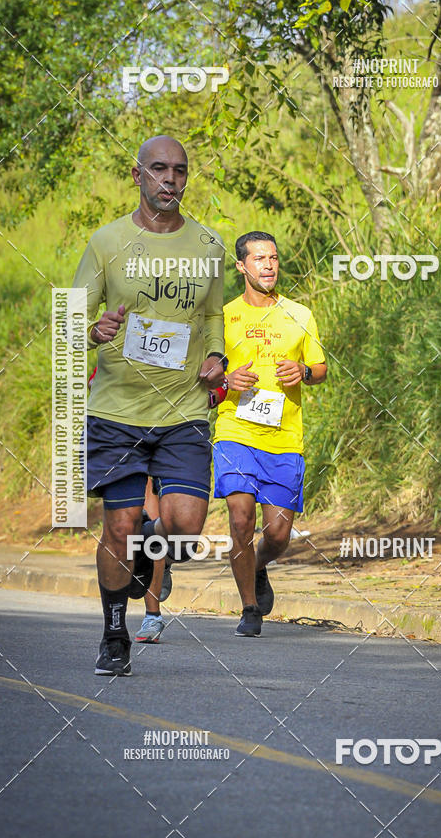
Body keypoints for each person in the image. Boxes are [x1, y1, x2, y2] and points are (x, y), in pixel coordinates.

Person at [73, 135, 225, 674]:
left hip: (184, 410)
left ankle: (146, 552)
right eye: (159, 169)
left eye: (179, 170)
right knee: (119, 525)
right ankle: (115, 635)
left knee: (184, 532)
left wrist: (217, 355)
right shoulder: (107, 242)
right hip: (117, 410)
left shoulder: (208, 244)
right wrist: (92, 330)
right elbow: (70, 319)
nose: (170, 179)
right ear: (138, 175)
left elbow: (213, 315)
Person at [213, 231, 327, 636]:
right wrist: (226, 380)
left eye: (274, 258)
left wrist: (304, 371)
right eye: (259, 259)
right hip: (235, 430)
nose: (269, 265)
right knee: (241, 519)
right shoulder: (223, 317)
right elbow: (204, 375)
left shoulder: (299, 314)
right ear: (241, 266)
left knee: (277, 535)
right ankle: (249, 609)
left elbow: (320, 369)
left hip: (283, 436)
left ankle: (258, 565)